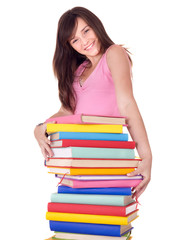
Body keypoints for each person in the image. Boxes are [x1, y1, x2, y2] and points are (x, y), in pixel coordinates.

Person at [34, 7, 152, 199]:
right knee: (78, 218)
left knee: (106, 217)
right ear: (70, 46)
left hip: (106, 155)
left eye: (86, 31)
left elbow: (127, 104)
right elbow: (66, 112)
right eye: (75, 40)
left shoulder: (114, 54)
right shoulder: (79, 70)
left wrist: (146, 157)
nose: (84, 41)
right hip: (80, 157)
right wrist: (40, 128)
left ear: (96, 26)